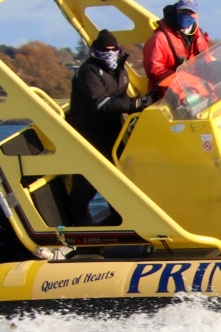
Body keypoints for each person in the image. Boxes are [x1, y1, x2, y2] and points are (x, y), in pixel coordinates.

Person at [64, 30, 155, 224]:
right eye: (105, 50)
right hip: (89, 133)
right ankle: (77, 224)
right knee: (88, 181)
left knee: (119, 177)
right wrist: (135, 105)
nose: (110, 53)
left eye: (114, 49)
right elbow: (101, 103)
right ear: (95, 50)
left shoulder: (120, 69)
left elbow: (120, 98)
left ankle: (121, 220)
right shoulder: (87, 71)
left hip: (112, 129)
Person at [142, 0, 211, 93]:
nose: (186, 15)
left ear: (196, 15)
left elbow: (206, 61)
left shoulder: (199, 36)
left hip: (195, 88)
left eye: (190, 12)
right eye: (183, 11)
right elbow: (154, 70)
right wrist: (184, 79)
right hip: (168, 93)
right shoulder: (159, 38)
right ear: (176, 11)